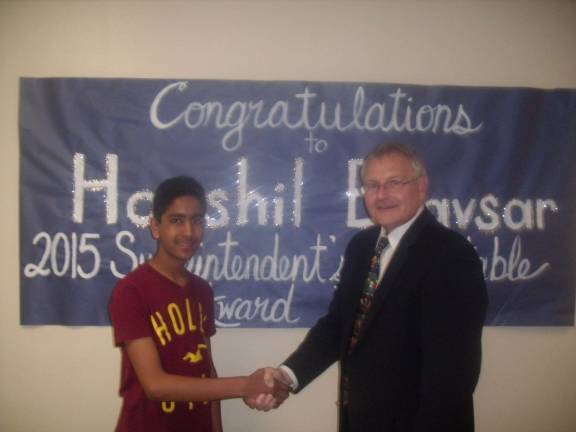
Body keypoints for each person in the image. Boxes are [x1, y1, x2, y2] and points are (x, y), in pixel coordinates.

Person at [268, 143, 488, 431]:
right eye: (372, 185)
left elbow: (453, 376)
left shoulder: (450, 254)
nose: (381, 195)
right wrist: (288, 375)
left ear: (421, 187)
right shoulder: (361, 247)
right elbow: (340, 326)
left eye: (394, 183)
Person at [109, 176, 288, 432]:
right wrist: (245, 385)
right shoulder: (131, 291)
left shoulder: (201, 290)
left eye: (197, 220)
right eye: (176, 220)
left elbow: (207, 369)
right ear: (155, 227)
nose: (189, 232)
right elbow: (155, 385)